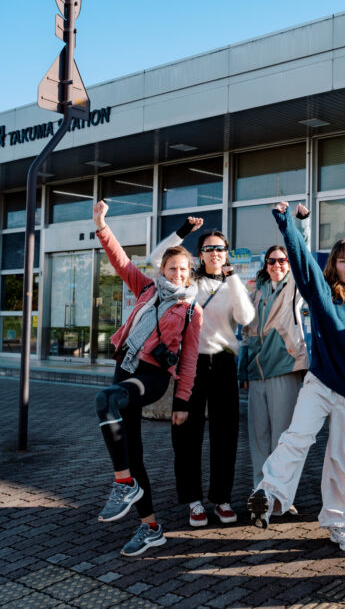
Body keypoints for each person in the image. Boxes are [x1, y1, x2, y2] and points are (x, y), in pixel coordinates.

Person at [247, 201, 345, 552]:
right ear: (334, 265)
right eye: (342, 260)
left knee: (343, 461)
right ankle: (269, 493)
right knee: (296, 437)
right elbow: (304, 263)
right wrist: (287, 225)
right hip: (321, 382)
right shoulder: (325, 295)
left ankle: (339, 524)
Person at [92, 200, 203, 557]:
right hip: (124, 368)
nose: (177, 274)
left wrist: (182, 402)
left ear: (190, 272)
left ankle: (123, 483)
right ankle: (150, 527)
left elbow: (187, 362)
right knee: (132, 451)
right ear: (163, 269)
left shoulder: (190, 310)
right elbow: (120, 261)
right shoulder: (147, 289)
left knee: (105, 400)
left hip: (152, 378)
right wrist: (101, 225)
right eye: (172, 267)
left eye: (183, 269)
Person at [152, 218, 255, 528]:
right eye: (208, 249)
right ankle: (193, 501)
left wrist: (232, 277)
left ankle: (222, 499)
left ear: (226, 253)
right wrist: (183, 232)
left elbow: (246, 317)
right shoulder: (187, 283)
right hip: (190, 364)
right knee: (186, 434)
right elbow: (157, 259)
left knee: (226, 434)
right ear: (199, 254)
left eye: (220, 249)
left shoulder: (233, 283)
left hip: (223, 363)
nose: (214, 253)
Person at [238, 204, 311, 496]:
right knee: (258, 437)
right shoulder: (256, 292)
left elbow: (301, 253)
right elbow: (245, 334)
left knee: (283, 436)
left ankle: (282, 493)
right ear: (265, 264)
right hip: (257, 373)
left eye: (282, 260)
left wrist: (300, 222)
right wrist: (242, 370)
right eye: (272, 261)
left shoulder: (295, 285)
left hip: (285, 367)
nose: (277, 265)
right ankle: (261, 490)